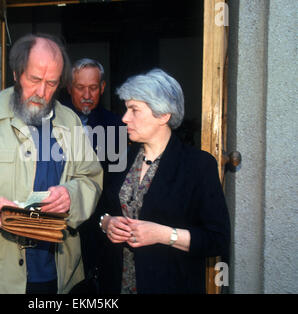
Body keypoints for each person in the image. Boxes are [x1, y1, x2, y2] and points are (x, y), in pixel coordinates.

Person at [0, 34, 103, 294]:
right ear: (17, 74)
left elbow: (90, 178)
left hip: (56, 276)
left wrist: (71, 196)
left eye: (51, 83)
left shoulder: (70, 122)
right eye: (35, 80)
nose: (42, 92)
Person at [97, 69, 230, 294]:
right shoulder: (121, 159)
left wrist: (163, 235)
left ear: (163, 115)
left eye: (134, 110)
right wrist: (106, 223)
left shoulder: (197, 165)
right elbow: (100, 210)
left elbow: (217, 239)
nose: (124, 118)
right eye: (126, 108)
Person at [63, 59, 126, 288]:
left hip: (99, 225)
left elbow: (116, 182)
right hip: (58, 221)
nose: (87, 94)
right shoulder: (49, 122)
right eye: (80, 87)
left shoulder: (117, 126)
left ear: (102, 87)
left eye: (93, 87)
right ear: (69, 88)